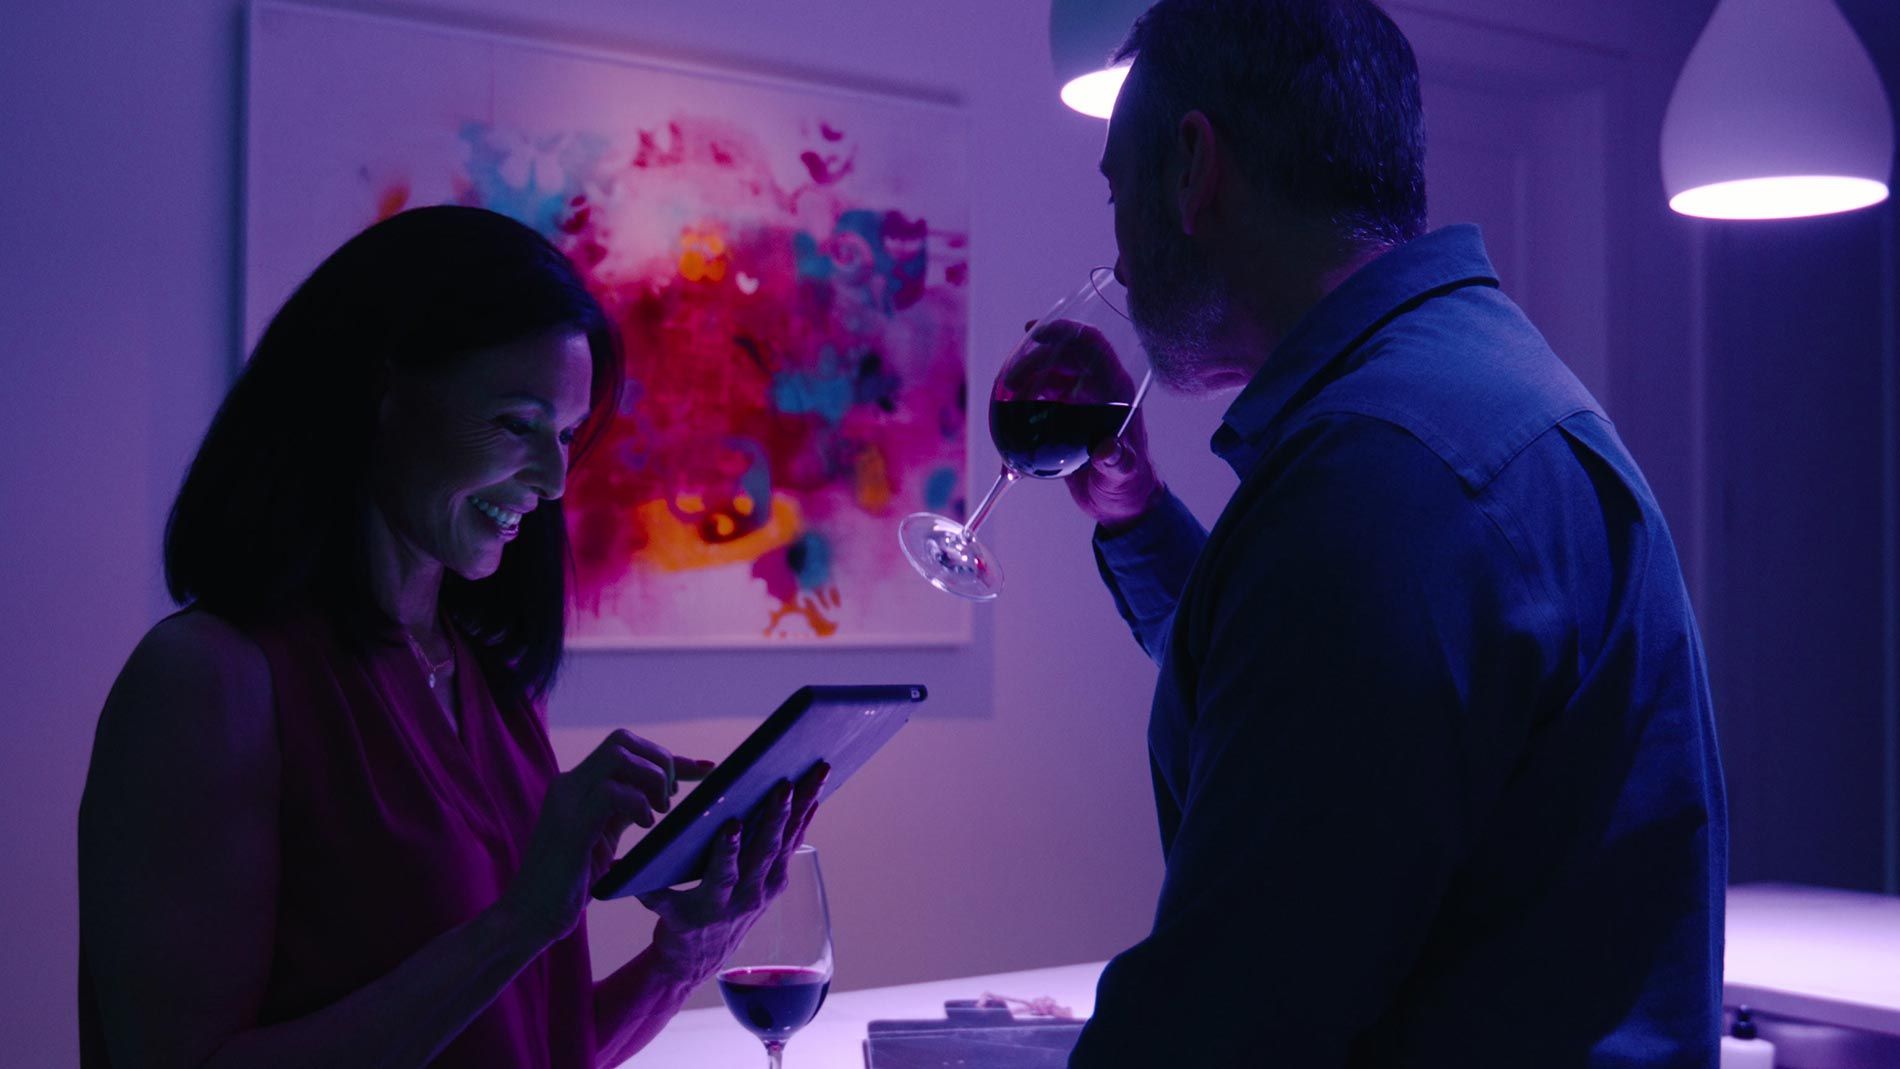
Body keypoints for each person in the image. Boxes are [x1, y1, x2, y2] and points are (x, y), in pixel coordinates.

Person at [1066, 1, 1728, 1064]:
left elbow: (1230, 1018)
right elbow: (1300, 688)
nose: (1121, 262)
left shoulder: (1380, 478)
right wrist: (1138, 514)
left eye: (1115, 193)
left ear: (1193, 168)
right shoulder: (1467, 397)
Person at [77, 205, 825, 1068]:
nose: (551, 479)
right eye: (516, 423)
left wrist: (685, 953)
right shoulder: (207, 682)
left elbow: (523, 1047)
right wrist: (519, 922)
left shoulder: (490, 681)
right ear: (380, 394)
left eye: (565, 435)